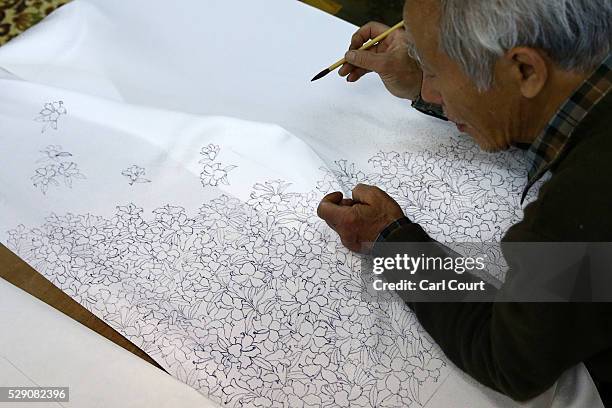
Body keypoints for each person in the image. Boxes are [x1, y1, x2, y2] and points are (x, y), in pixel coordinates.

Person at [317, 0, 612, 404]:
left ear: (525, 69)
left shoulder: (586, 205)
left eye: (435, 73)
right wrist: (433, 67)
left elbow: (509, 357)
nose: (427, 91)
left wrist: (388, 239)